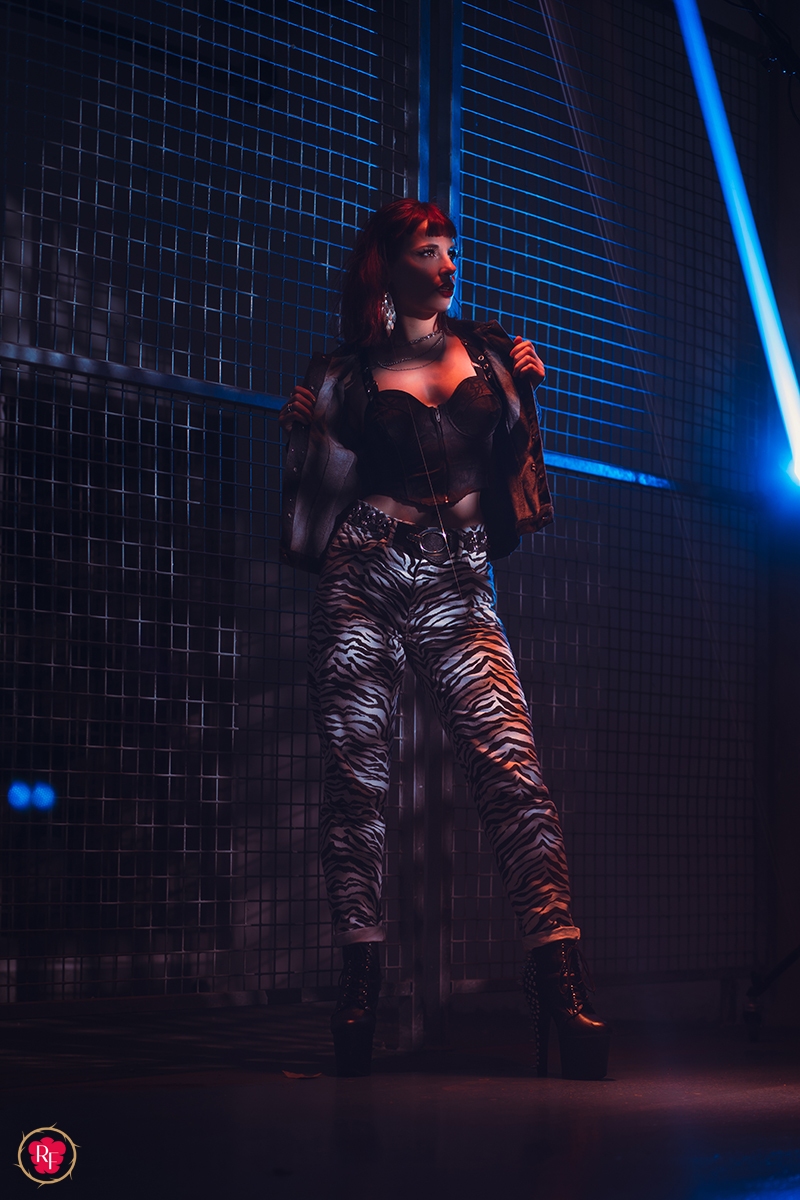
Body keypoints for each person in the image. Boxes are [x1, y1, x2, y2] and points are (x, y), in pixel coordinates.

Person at [279, 199, 609, 1080]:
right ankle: (359, 988)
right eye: (428, 251)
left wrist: (527, 392)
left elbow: (513, 460)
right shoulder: (344, 373)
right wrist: (306, 432)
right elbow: (318, 489)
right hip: (364, 571)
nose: (448, 266)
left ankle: (560, 983)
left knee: (514, 771)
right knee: (357, 778)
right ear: (388, 267)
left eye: (451, 251)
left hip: (459, 579)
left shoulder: (492, 352)